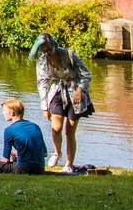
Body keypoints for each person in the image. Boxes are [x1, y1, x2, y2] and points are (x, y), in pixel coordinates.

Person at [32, 33, 92, 171]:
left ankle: (69, 164)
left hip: (74, 93)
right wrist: (44, 106)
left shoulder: (69, 54)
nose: (47, 53)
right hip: (57, 92)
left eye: (49, 49)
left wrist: (80, 90)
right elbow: (42, 83)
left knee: (69, 132)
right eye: (43, 50)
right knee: (56, 127)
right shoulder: (42, 61)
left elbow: (86, 74)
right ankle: (57, 152)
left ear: (54, 45)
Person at [0, 98, 47, 175]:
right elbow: (44, 154)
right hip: (40, 169)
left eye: (4, 111)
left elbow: (5, 160)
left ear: (12, 113)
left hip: (22, 169)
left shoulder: (9, 130)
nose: (3, 113)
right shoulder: (35, 126)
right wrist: (19, 156)